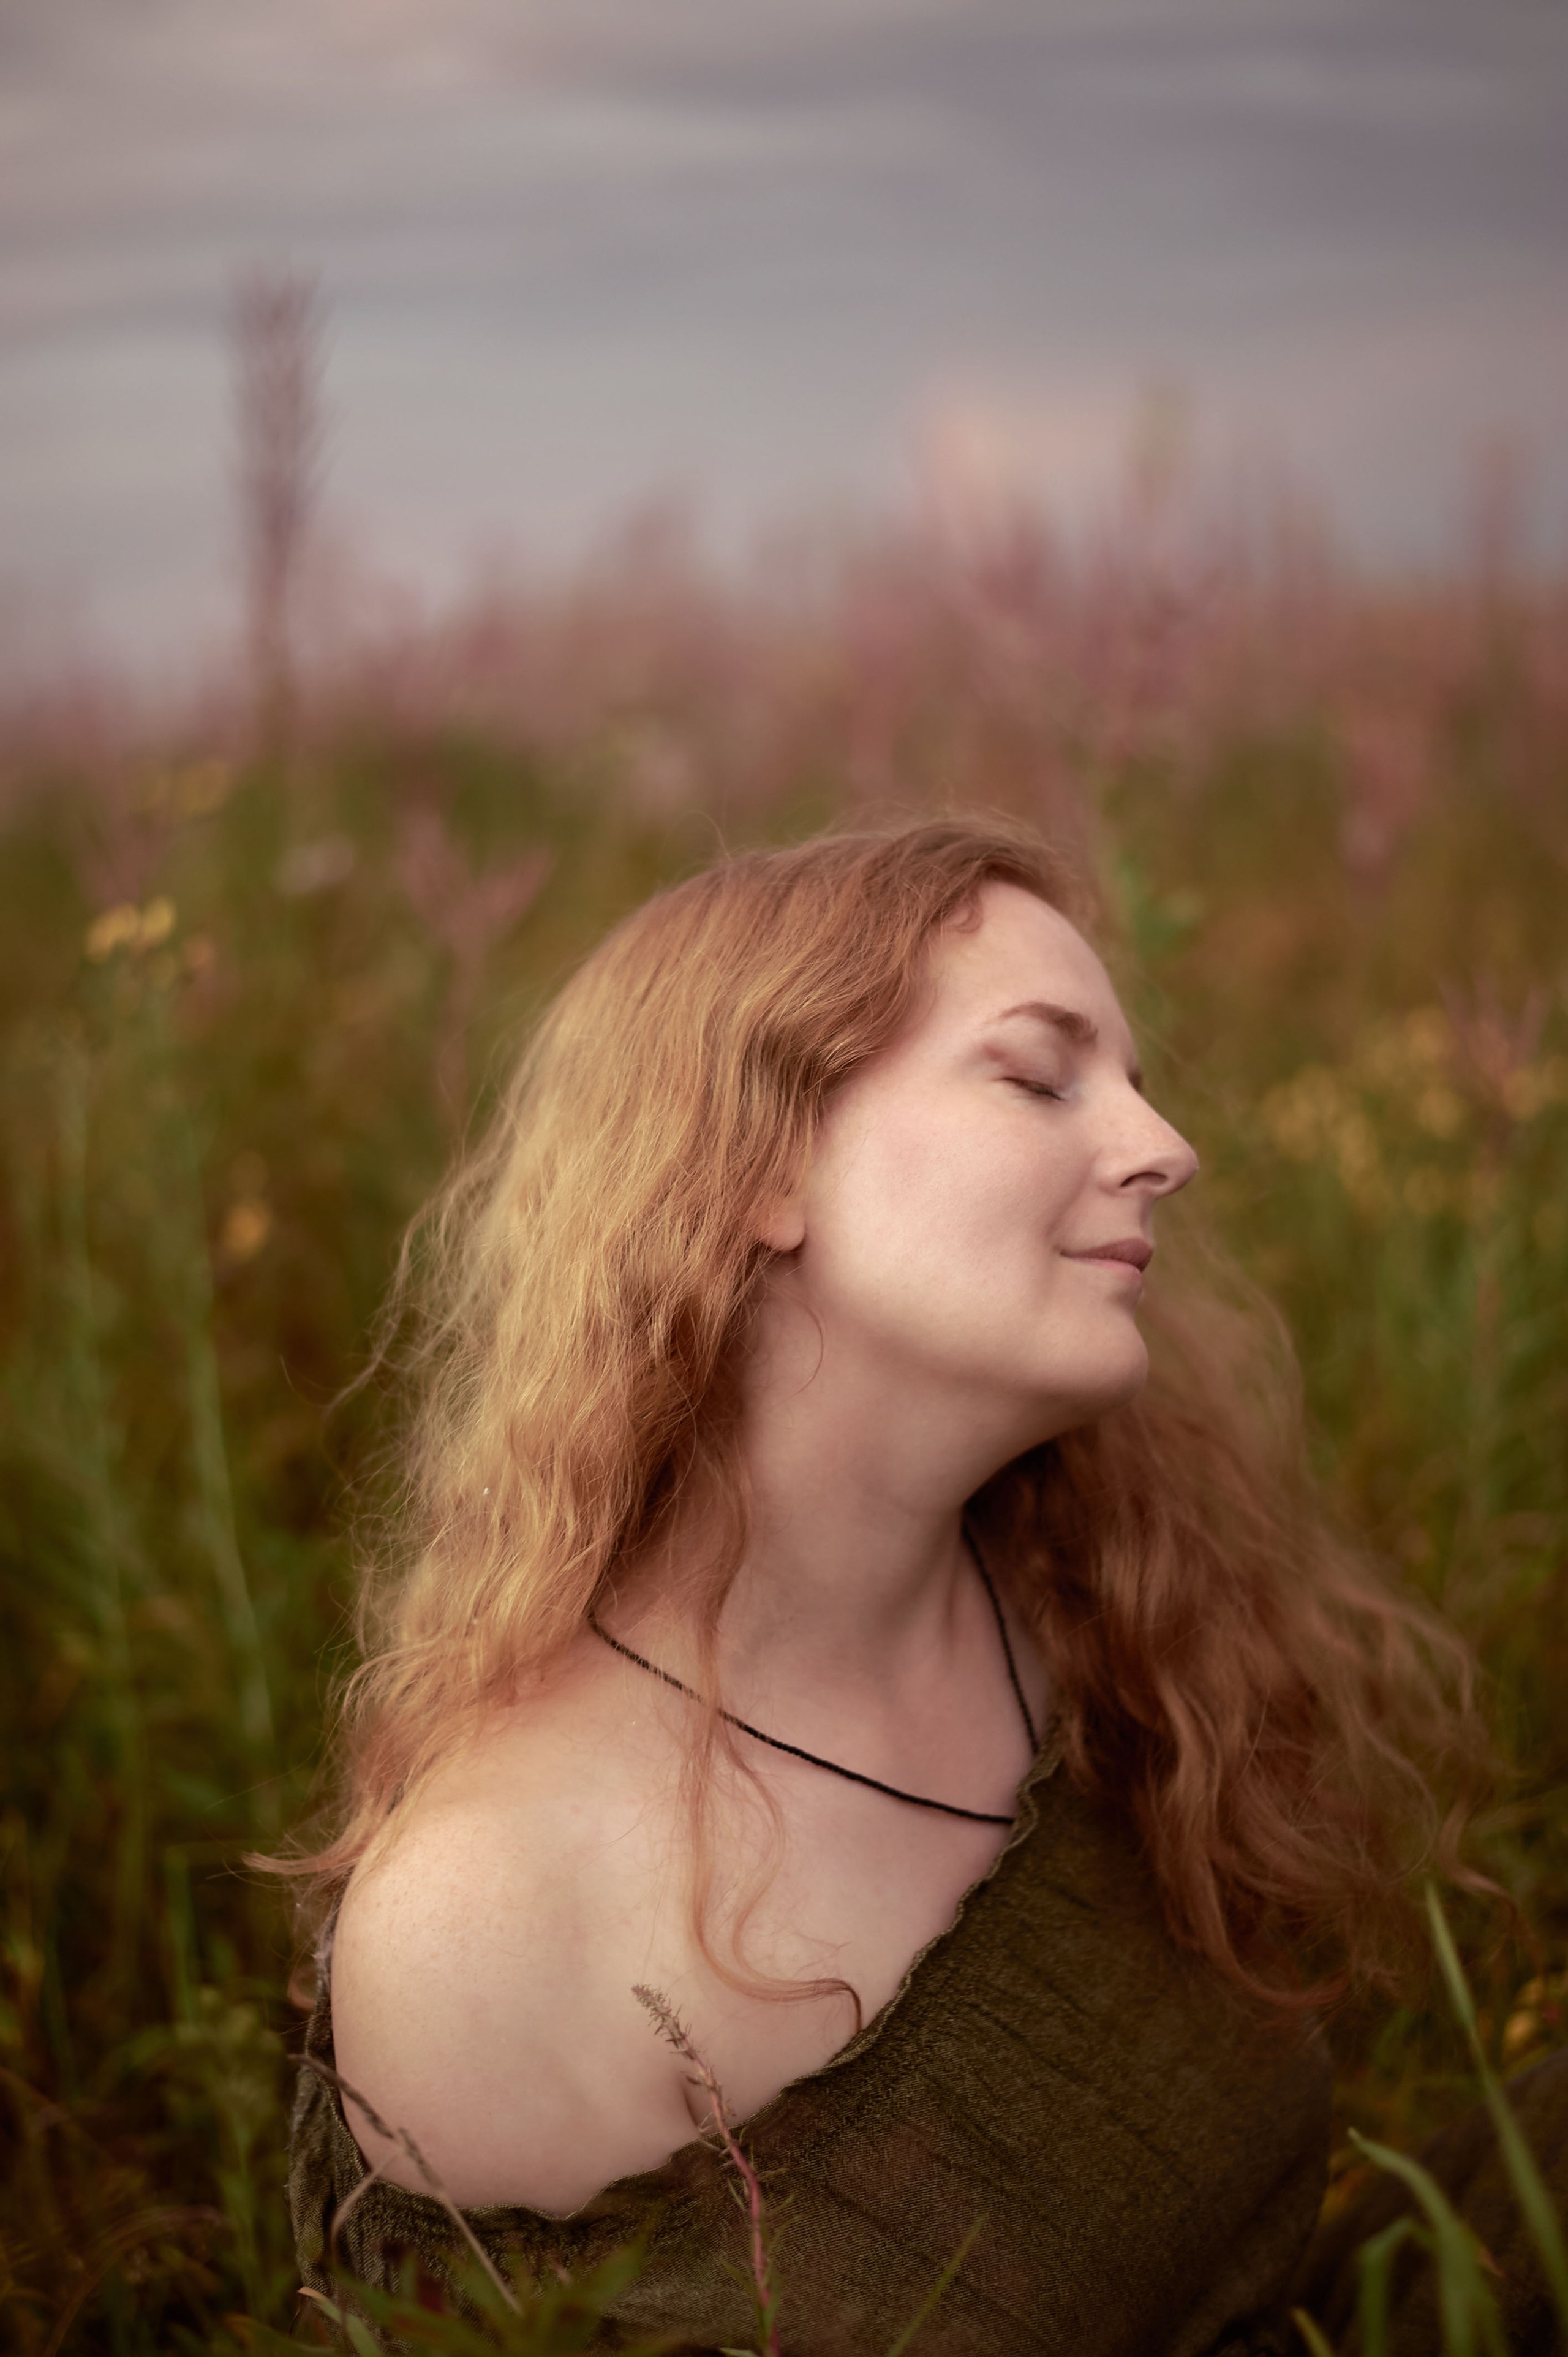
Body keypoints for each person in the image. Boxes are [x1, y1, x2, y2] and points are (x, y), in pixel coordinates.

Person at [285, 817, 1495, 2355]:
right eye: (1039, 1075)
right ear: (762, 1162)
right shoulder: (497, 1918)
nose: (1162, 1146)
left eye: (1126, 1079)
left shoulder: (1093, 1613)